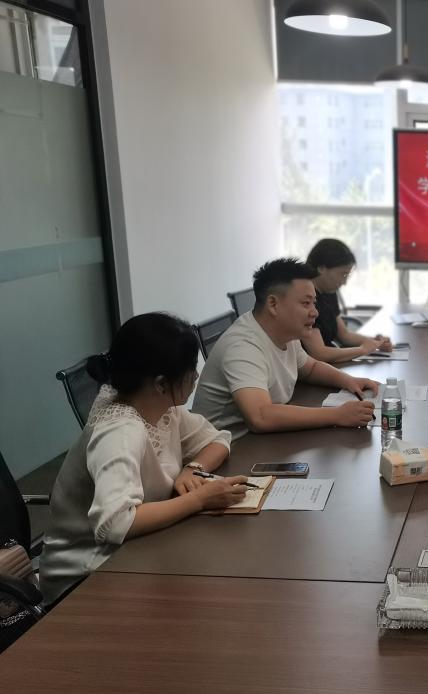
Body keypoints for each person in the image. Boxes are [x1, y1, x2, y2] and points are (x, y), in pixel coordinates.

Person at [39, 313, 250, 606]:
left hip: (139, 549)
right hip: (86, 577)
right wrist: (199, 500)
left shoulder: (162, 408)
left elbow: (218, 440)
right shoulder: (119, 431)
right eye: (191, 369)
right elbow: (115, 524)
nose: (197, 375)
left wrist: (193, 468)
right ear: (161, 384)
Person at [192, 258, 379, 439]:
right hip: (229, 447)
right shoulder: (243, 345)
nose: (315, 312)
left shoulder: (286, 332)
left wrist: (349, 381)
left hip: (262, 441)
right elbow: (261, 417)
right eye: (306, 303)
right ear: (273, 304)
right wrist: (337, 415)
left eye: (314, 302)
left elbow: (310, 368)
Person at [302, 238, 393, 365]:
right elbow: (319, 353)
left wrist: (375, 342)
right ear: (321, 268)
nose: (344, 282)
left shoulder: (328, 292)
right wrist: (362, 350)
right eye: (343, 274)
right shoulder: (304, 298)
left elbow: (344, 335)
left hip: (329, 365)